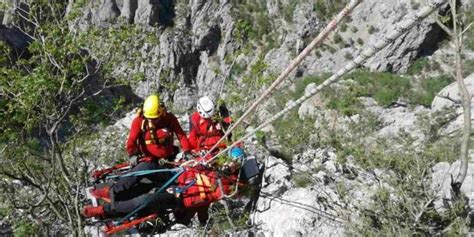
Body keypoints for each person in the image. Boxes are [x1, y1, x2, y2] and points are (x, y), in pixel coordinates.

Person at [90, 94, 192, 202]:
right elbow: (131, 142)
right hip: (149, 161)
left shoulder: (169, 118)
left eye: (155, 119)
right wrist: (133, 154)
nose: (152, 121)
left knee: (147, 174)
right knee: (141, 170)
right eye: (150, 119)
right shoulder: (139, 122)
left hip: (168, 162)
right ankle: (112, 192)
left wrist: (187, 151)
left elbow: (181, 136)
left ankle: (114, 193)